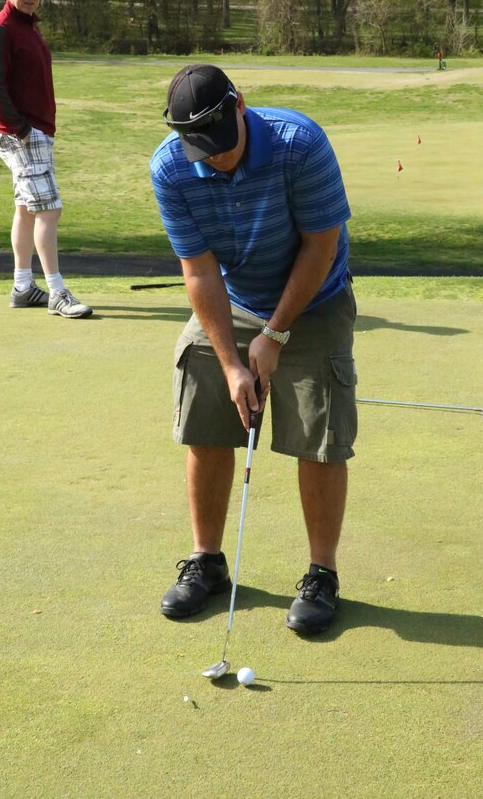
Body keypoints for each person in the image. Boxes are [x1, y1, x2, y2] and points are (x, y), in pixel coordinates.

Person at [150, 64, 357, 635]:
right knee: (205, 395)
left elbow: (320, 248)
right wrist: (231, 363)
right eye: (201, 149)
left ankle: (322, 573)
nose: (214, 158)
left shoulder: (301, 144)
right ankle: (208, 562)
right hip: (235, 299)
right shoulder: (171, 167)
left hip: (313, 298)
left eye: (221, 144)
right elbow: (198, 271)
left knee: (318, 432)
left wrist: (276, 335)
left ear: (241, 104)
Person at [0, 0, 92, 318]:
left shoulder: (28, 27)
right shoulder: (0, 29)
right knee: (48, 209)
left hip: (34, 131)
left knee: (28, 210)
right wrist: (23, 130)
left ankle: (23, 286)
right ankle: (57, 292)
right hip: (21, 134)